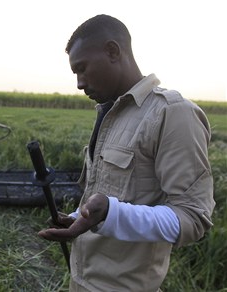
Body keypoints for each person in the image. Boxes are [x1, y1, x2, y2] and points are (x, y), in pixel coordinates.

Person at [37, 15, 215, 291]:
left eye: (81, 69)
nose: (79, 83)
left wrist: (110, 213)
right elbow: (116, 194)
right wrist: (77, 217)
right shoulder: (110, 114)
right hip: (81, 280)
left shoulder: (173, 113)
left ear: (112, 51)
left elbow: (192, 218)